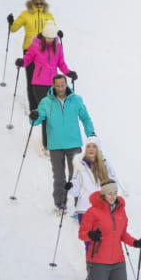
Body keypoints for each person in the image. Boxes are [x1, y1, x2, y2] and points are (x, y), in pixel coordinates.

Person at [30, 74, 93, 212]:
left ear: (66, 84)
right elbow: (37, 119)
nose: (60, 88)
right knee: (59, 177)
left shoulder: (76, 100)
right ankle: (60, 204)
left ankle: (79, 205)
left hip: (73, 143)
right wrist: (33, 116)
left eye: (62, 85)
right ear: (53, 85)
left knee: (76, 176)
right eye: (57, 85)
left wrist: (91, 134)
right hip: (55, 145)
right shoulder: (46, 102)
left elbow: (85, 118)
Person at [16, 20, 77, 149]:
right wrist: (22, 62)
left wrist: (69, 73)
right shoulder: (35, 45)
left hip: (53, 85)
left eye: (52, 38)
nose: (49, 40)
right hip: (38, 84)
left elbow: (61, 64)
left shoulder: (58, 46)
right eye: (47, 38)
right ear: (43, 35)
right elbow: (28, 59)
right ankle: (47, 144)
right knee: (47, 113)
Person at [7, 0, 60, 109]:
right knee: (31, 80)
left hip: (45, 51)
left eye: (41, 3)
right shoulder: (26, 14)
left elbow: (53, 30)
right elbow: (14, 29)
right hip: (29, 50)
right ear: (32, 2)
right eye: (37, 3)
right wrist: (11, 23)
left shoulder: (48, 16)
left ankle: (46, 107)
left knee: (44, 81)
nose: (39, 5)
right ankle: (34, 109)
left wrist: (58, 33)